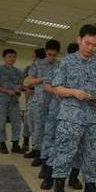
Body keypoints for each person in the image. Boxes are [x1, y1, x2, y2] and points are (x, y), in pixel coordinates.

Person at [51, 24, 96, 192]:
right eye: (87, 43)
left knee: (91, 153)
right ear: (79, 40)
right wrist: (74, 92)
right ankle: (59, 188)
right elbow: (57, 88)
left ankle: (90, 185)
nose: (90, 48)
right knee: (64, 152)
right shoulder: (66, 62)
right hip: (71, 116)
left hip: (93, 117)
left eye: (94, 45)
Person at [40, 43, 83, 191]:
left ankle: (73, 176)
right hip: (58, 110)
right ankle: (48, 172)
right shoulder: (59, 66)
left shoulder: (87, 69)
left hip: (79, 114)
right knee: (55, 142)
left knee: (78, 147)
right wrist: (60, 93)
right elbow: (47, 85)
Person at [25, 40, 61, 170]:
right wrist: (44, 78)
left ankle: (47, 156)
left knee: (51, 131)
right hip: (39, 102)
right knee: (37, 128)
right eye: (50, 54)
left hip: (54, 102)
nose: (52, 57)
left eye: (54, 55)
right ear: (46, 52)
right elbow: (29, 82)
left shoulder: (61, 65)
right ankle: (38, 152)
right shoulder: (37, 64)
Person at [0, 48, 24, 154]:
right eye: (9, 56)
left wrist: (20, 88)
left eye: (14, 56)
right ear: (4, 58)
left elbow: (20, 85)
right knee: (1, 123)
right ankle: (2, 144)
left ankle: (15, 144)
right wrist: (7, 91)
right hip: (1, 100)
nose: (12, 58)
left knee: (17, 122)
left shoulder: (18, 72)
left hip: (14, 101)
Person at [23, 48, 46, 154]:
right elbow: (26, 83)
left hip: (36, 98)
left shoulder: (35, 65)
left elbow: (28, 83)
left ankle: (36, 148)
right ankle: (35, 147)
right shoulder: (31, 67)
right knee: (36, 124)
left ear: (36, 56)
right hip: (37, 97)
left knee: (33, 123)